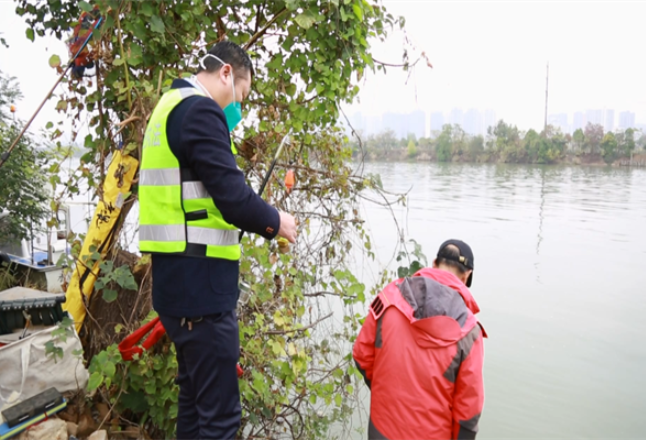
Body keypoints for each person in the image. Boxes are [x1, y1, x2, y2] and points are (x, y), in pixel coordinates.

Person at [138, 41, 297, 440]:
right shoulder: (200, 110)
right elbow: (232, 197)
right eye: (239, 97)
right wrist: (277, 221)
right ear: (226, 73)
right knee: (221, 419)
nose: (236, 110)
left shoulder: (167, 106)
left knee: (193, 405)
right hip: (202, 294)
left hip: (177, 288)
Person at [353, 239, 486, 440]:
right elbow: (468, 413)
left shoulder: (389, 298)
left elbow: (362, 355)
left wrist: (387, 391)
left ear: (434, 263)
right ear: (467, 275)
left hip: (382, 430)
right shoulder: (469, 332)